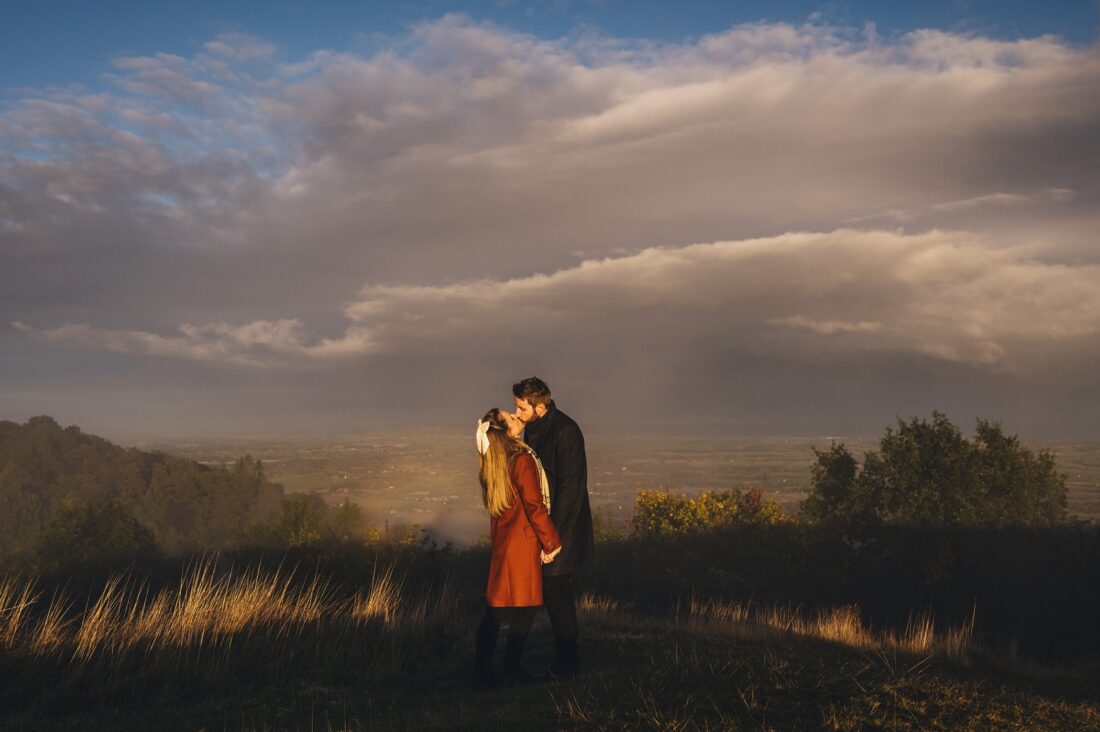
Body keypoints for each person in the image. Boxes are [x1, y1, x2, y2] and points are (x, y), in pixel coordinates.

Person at [472, 407, 562, 689]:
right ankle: (510, 668)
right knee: (528, 607)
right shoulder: (520, 460)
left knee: (496, 611)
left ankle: (484, 672)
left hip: (505, 543)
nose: (516, 416)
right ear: (505, 430)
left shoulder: (493, 462)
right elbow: (535, 507)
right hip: (522, 544)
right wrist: (551, 541)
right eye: (511, 416)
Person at [512, 377, 592, 678]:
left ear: (540, 406)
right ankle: (530, 663)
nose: (517, 412)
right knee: (544, 593)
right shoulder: (532, 430)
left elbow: (572, 489)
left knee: (556, 593)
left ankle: (568, 665)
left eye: (521, 407)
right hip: (545, 528)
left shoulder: (566, 432)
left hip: (562, 529)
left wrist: (552, 538)